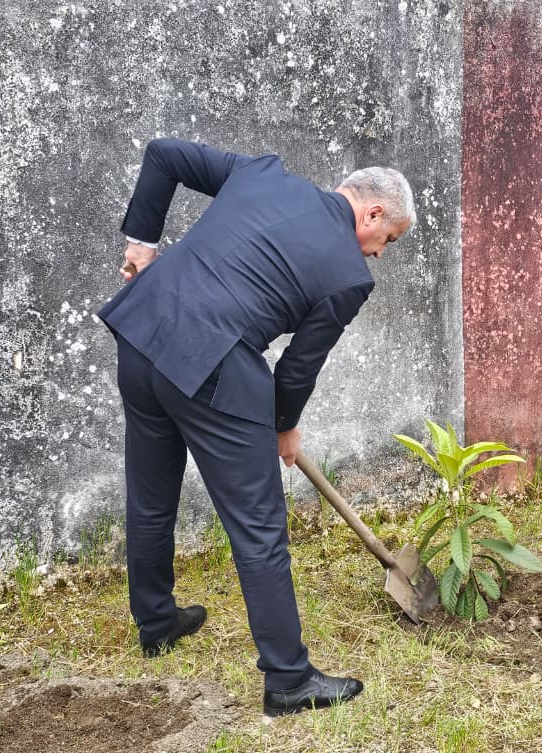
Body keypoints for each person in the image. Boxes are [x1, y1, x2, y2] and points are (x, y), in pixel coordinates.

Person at [97, 137, 415, 715]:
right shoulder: (349, 275)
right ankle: (289, 681)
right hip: (212, 362)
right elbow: (297, 367)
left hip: (142, 331)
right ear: (371, 213)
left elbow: (163, 154)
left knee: (150, 494)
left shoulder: (262, 175)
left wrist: (141, 248)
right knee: (259, 526)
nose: (377, 255)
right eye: (386, 240)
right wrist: (284, 425)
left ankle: (157, 622)